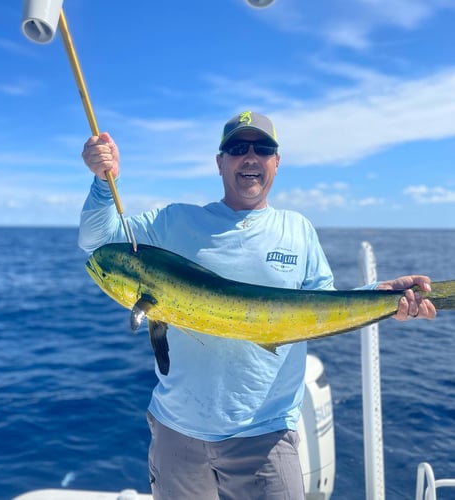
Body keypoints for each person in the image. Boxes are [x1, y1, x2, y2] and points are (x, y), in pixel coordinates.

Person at [78, 111, 436, 500]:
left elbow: (322, 308)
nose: (250, 157)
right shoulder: (173, 221)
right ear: (220, 162)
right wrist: (102, 181)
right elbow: (99, 242)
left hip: (265, 436)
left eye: (262, 148)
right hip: (177, 432)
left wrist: (379, 295)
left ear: (276, 163)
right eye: (236, 148)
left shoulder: (297, 229)